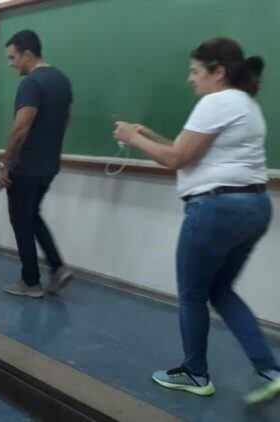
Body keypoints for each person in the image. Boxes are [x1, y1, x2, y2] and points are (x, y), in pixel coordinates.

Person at [114, 37, 280, 402]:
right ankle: (271, 368)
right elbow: (186, 152)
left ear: (218, 72)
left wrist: (131, 138)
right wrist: (148, 136)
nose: (190, 79)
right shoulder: (245, 105)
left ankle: (195, 373)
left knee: (192, 294)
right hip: (254, 207)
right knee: (220, 290)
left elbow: (176, 159)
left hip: (216, 209)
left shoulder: (216, 101)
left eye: (195, 71)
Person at [0, 29, 74, 298]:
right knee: (31, 215)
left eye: (13, 57)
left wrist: (5, 165)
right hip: (49, 166)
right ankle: (58, 267)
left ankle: (31, 283)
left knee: (21, 221)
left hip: (25, 168)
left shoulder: (31, 83)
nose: (11, 63)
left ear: (28, 54)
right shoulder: (62, 80)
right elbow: (66, 121)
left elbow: (21, 128)